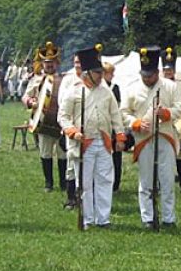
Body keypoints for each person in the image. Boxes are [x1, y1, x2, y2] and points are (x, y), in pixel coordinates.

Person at [58, 44, 126, 229]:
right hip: (83, 142)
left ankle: (103, 219)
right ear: (88, 73)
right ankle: (87, 219)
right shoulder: (73, 91)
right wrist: (72, 131)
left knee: (105, 180)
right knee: (85, 183)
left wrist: (119, 136)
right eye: (97, 72)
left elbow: (115, 115)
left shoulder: (106, 92)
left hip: (103, 142)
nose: (101, 76)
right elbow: (62, 117)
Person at [121, 46, 181, 227]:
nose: (147, 78)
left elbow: (180, 108)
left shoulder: (171, 87)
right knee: (146, 180)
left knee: (167, 180)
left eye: (150, 75)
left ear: (157, 72)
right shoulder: (132, 89)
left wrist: (167, 113)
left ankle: (168, 218)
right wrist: (136, 123)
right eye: (144, 75)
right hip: (143, 138)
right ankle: (147, 217)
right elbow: (124, 112)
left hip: (166, 136)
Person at [22, 42, 67, 193]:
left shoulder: (64, 79)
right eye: (46, 62)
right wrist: (31, 102)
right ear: (42, 63)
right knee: (45, 153)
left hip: (60, 122)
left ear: (57, 63)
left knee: (62, 153)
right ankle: (49, 183)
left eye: (52, 62)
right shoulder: (36, 79)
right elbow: (26, 97)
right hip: (43, 122)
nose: (49, 65)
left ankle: (63, 183)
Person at [161, 46, 181, 193]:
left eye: (170, 70)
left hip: (179, 123)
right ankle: (162, 183)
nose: (168, 72)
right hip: (163, 122)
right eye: (166, 70)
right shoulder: (159, 84)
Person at [58, 52, 83, 209]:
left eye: (80, 62)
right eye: (75, 62)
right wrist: (66, 127)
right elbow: (62, 103)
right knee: (71, 163)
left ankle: (84, 196)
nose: (77, 65)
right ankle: (71, 197)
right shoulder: (68, 79)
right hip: (71, 128)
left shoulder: (91, 78)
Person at [102, 62, 126, 192]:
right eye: (110, 73)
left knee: (116, 158)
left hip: (113, 125)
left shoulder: (115, 88)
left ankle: (115, 185)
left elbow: (117, 108)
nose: (112, 75)